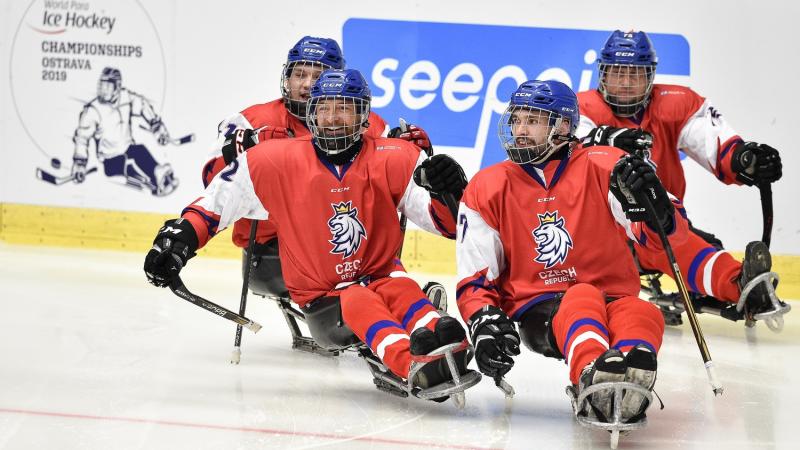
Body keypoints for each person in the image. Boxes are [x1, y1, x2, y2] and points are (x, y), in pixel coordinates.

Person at [455, 79, 777, 436]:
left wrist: (658, 211)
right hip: (540, 307)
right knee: (582, 296)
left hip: (612, 294)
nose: (520, 130)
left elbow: (659, 244)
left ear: (562, 126)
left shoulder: (607, 165)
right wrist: (483, 322)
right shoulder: (487, 185)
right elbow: (475, 276)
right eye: (517, 119)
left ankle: (629, 382)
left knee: (642, 311)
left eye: (533, 120)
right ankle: (591, 374)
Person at [144, 69, 477, 401]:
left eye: (344, 107)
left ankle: (447, 342)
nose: (332, 118)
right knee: (359, 300)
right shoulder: (275, 160)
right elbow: (218, 202)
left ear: (364, 115)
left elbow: (445, 225)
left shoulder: (396, 156)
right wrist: (180, 239)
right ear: (312, 113)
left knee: (402, 288)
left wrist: (449, 195)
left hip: (383, 274)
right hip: (325, 300)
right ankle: (411, 362)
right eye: (323, 107)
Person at [201, 36, 433, 306]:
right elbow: (212, 182)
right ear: (286, 77)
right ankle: (400, 305)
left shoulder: (364, 122)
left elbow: (389, 169)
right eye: (300, 74)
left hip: (349, 246)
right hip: (272, 251)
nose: (308, 84)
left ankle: (399, 302)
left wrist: (412, 152)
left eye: (318, 75)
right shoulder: (251, 121)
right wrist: (243, 148)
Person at [577, 30, 787, 325]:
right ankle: (736, 283)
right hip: (595, 234)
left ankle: (742, 284)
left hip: (655, 221)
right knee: (675, 245)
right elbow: (570, 146)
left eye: (635, 74)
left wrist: (743, 159)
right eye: (617, 73)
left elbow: (710, 140)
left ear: (650, 76)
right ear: (602, 73)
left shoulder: (674, 104)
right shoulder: (579, 108)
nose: (625, 83)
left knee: (691, 244)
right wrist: (608, 138)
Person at [71, 67, 178, 196]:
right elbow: (82, 138)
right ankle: (156, 183)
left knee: (139, 150)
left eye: (108, 86)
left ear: (117, 87)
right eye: (101, 85)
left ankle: (161, 175)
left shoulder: (125, 98)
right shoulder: (93, 110)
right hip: (110, 159)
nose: (103, 90)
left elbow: (143, 105)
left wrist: (157, 127)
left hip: (128, 148)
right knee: (131, 161)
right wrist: (79, 163)